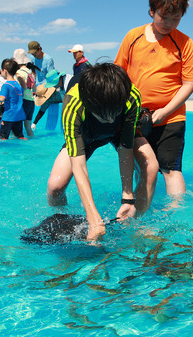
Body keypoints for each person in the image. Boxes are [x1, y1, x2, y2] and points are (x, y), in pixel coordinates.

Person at [46, 63, 158, 241]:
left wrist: (127, 197)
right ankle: (61, 218)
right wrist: (93, 219)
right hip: (87, 133)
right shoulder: (73, 102)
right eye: (104, 117)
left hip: (119, 131)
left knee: (151, 166)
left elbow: (125, 147)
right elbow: (79, 166)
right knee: (55, 188)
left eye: (114, 115)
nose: (110, 120)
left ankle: (136, 224)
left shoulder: (131, 95)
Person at [115, 0, 193, 197]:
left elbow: (189, 83)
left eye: (176, 18)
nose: (169, 23)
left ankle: (177, 216)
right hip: (135, 116)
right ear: (152, 11)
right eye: (164, 16)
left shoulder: (185, 43)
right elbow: (118, 74)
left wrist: (165, 111)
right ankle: (138, 210)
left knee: (171, 169)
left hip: (171, 117)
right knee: (139, 167)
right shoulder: (133, 37)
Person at [0, 58, 26, 140]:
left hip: (9, 116)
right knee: (20, 137)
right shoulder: (18, 84)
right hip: (19, 115)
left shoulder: (6, 85)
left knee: (3, 138)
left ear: (5, 71)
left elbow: (2, 98)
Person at [13, 48, 37, 137]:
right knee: (28, 127)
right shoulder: (30, 72)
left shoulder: (19, 73)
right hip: (31, 102)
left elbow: (17, 89)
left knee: (16, 128)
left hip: (23, 102)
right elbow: (34, 90)